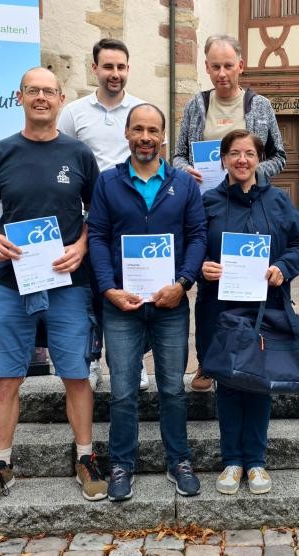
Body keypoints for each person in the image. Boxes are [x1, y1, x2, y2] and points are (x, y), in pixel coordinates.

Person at [0, 67, 107, 509]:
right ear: (20, 96)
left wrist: (82, 246)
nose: (42, 98)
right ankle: (1, 464)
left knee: (76, 374)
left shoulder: (79, 154)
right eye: (34, 91)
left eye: (49, 92)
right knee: (8, 377)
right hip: (14, 282)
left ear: (61, 99)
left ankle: (85, 458)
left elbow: (97, 217)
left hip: (68, 282)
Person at [87, 103, 207, 501]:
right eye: (138, 129)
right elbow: (98, 238)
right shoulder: (107, 183)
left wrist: (183, 282)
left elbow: (197, 237)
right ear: (126, 133)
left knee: (173, 388)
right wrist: (108, 289)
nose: (145, 137)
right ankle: (122, 464)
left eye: (153, 130)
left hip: (170, 304)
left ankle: (179, 460)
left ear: (163, 137)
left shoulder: (184, 184)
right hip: (122, 304)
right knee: (123, 391)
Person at [173, 33, 287, 393]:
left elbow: (279, 156)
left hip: (251, 204)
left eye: (228, 65)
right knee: (209, 283)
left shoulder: (260, 106)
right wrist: (183, 170)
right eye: (215, 66)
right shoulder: (195, 105)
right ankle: (208, 361)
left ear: (241, 65)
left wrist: (251, 174)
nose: (222, 73)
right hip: (207, 207)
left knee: (249, 282)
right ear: (206, 67)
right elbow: (178, 156)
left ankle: (254, 349)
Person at [198, 129, 299, 495]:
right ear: (223, 159)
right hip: (221, 307)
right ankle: (232, 460)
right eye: (234, 153)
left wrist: (283, 266)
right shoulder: (207, 203)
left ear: (259, 159)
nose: (242, 160)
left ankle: (257, 462)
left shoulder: (277, 201)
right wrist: (203, 266)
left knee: (260, 383)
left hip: (267, 307)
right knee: (228, 383)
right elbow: (192, 244)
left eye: (248, 153)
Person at [59, 38, 150, 392]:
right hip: (90, 219)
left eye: (121, 67)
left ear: (128, 70)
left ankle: (135, 361)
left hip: (134, 218)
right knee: (95, 293)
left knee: (136, 288)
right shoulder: (75, 113)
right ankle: (93, 361)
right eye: (108, 67)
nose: (115, 74)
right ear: (94, 68)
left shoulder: (141, 108)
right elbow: (60, 155)